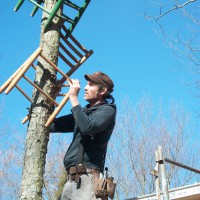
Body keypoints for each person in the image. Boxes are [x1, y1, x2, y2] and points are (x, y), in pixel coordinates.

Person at [50, 71, 117, 200]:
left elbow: (88, 127)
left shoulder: (108, 111)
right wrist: (52, 100)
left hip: (88, 178)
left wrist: (73, 98)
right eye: (86, 84)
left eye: (91, 85)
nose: (85, 88)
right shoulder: (84, 113)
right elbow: (52, 125)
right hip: (71, 179)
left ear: (103, 90)